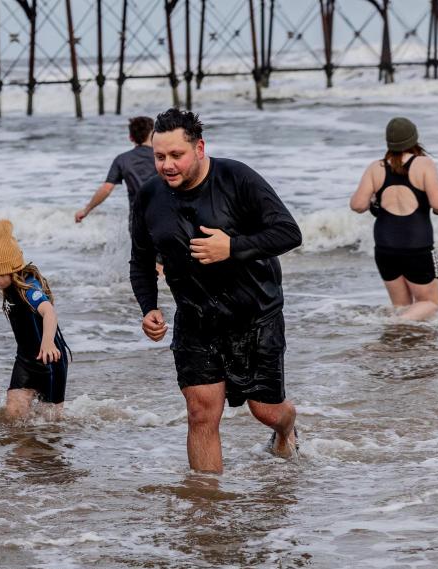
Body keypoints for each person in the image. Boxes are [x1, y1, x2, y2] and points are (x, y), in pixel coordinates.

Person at [129, 109, 302, 474]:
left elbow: (289, 232)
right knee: (201, 413)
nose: (167, 165)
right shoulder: (148, 196)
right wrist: (149, 307)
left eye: (176, 155)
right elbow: (141, 259)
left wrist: (232, 247)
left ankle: (287, 429)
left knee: (266, 411)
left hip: (256, 316)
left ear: (200, 148)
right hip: (196, 319)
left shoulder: (237, 178)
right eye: (159, 156)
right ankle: (207, 503)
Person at [348, 117, 438, 321]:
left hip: (385, 247)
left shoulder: (376, 167)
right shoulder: (423, 164)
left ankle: (399, 338)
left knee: (401, 306)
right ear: (414, 139)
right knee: (430, 303)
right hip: (417, 246)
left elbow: (358, 205)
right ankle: (396, 326)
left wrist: (375, 200)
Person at [0, 219, 70, 420]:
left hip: (49, 359)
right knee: (14, 414)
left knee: (51, 422)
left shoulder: (29, 289)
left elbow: (49, 312)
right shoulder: (8, 286)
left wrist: (48, 343)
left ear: (11, 269)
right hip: (25, 360)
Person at [74, 116, 158, 223]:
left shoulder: (122, 159)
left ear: (131, 138)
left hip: (137, 220)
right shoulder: (161, 157)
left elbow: (106, 189)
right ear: (153, 135)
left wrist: (86, 210)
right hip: (162, 216)